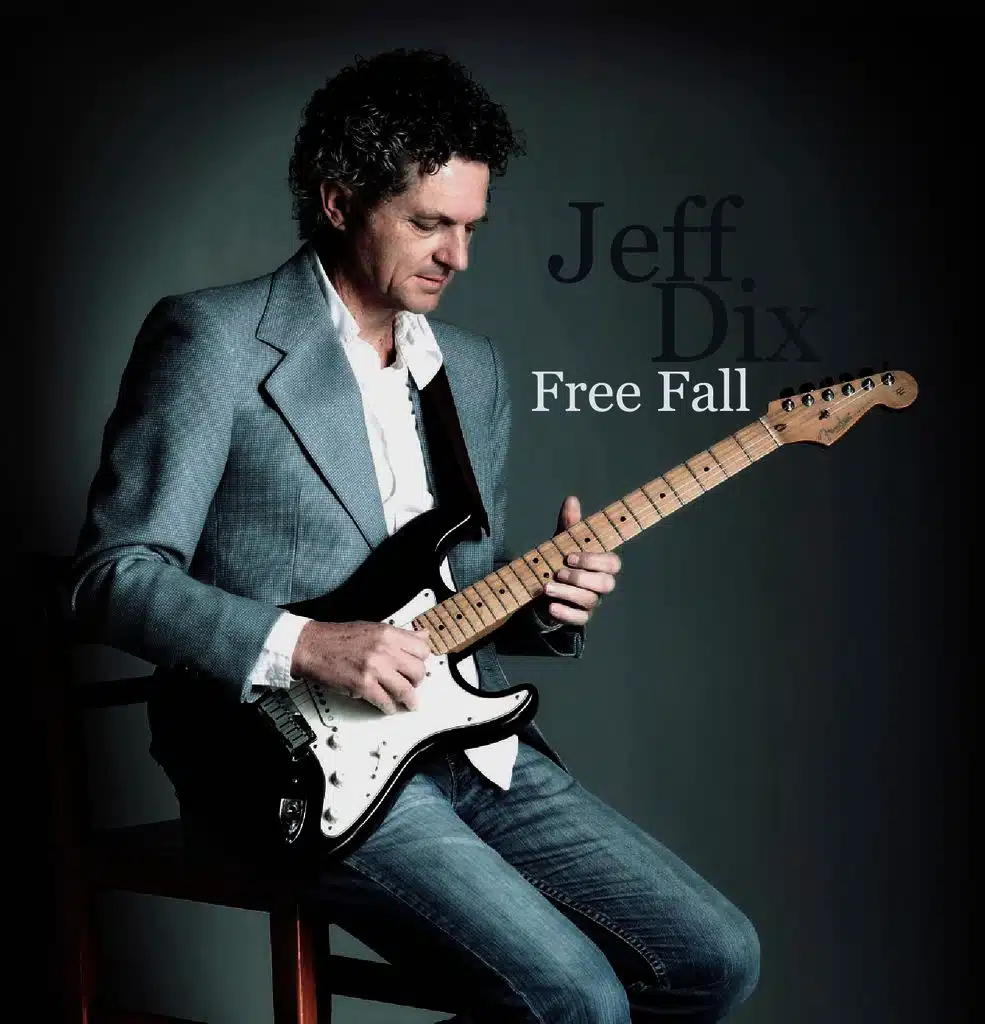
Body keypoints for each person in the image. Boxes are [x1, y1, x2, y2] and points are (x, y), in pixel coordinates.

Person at [69, 48, 759, 1023]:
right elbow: (112, 577)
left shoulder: (469, 370)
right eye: (429, 224)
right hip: (279, 759)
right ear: (339, 201)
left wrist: (545, 604)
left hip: (462, 743)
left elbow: (451, 591)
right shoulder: (213, 340)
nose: (457, 257)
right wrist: (307, 643)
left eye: (471, 228)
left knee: (716, 958)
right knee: (577, 1000)